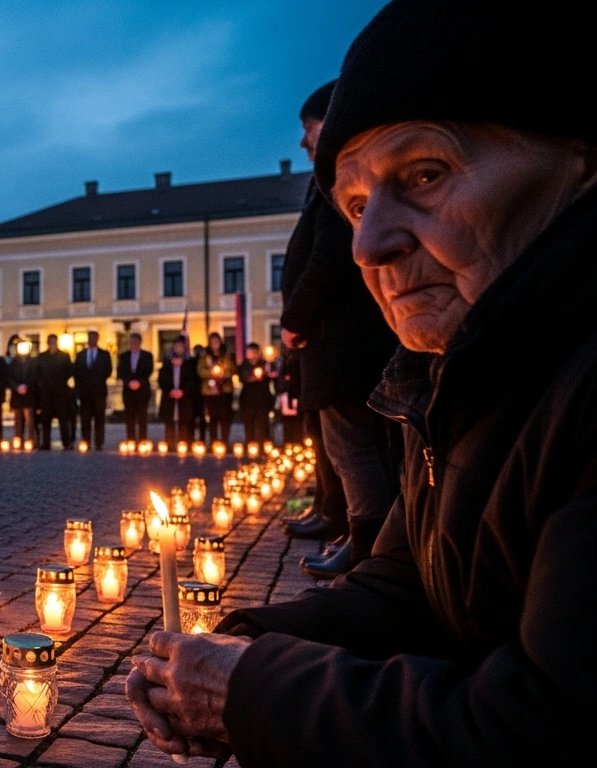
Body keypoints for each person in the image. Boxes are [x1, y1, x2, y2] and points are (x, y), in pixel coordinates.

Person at [129, 4, 597, 764]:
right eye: (353, 206)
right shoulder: (456, 375)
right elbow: (413, 590)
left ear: (580, 161)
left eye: (425, 174)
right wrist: (247, 643)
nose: (370, 245)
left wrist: (254, 692)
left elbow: (546, 728)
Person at [279, 80, 405, 577]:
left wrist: (294, 320)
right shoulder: (328, 180)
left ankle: (367, 548)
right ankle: (357, 536)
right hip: (336, 340)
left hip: (340, 342)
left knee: (353, 449)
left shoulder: (342, 179)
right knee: (345, 446)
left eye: (309, 130)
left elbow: (330, 258)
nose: (304, 143)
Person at [73, 331, 112, 450]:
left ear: (97, 339)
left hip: (99, 392)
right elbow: (76, 373)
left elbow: (108, 371)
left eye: (94, 338)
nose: (92, 340)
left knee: (99, 419)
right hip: (85, 393)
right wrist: (78, 390)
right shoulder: (80, 355)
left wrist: (96, 380)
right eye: (90, 338)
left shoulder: (104, 355)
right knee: (85, 419)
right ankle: (86, 441)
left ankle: (99, 443)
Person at [34, 334, 74, 449]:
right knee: (45, 419)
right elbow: (37, 373)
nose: (52, 343)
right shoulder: (41, 357)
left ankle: (66, 443)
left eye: (54, 341)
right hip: (46, 393)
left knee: (63, 419)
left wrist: (61, 381)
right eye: (50, 341)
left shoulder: (64, 356)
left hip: (61, 392)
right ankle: (45, 443)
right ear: (47, 342)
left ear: (56, 342)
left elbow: (69, 371)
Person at [196, 333, 236, 444]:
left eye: (216, 342)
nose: (215, 344)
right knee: (213, 418)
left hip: (225, 391)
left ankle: (224, 441)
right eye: (212, 342)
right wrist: (211, 373)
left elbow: (232, 369)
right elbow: (200, 371)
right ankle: (214, 441)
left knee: (225, 417)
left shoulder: (227, 355)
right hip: (210, 391)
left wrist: (223, 373)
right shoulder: (205, 357)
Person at [157, 337, 197, 446]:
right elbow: (161, 379)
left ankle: (182, 444)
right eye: (176, 346)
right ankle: (170, 443)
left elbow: (192, 380)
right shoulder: (167, 362)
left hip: (184, 397)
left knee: (183, 421)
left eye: (180, 347)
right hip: (169, 396)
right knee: (169, 422)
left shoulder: (189, 363)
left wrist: (183, 391)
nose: (178, 349)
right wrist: (170, 390)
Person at [117, 332, 153, 443]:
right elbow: (121, 371)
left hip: (142, 390)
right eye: (131, 342)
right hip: (128, 391)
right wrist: (128, 382)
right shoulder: (124, 356)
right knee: (129, 417)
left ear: (139, 342)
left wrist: (139, 382)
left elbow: (148, 370)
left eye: (136, 342)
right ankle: (131, 439)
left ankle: (143, 439)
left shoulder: (147, 356)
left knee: (142, 416)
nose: (133, 344)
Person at [236, 343, 274, 446]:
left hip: (262, 400)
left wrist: (266, 374)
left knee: (263, 426)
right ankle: (251, 448)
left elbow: (271, 376)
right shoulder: (243, 366)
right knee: (249, 427)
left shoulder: (265, 364)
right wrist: (251, 377)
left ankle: (264, 447)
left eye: (253, 352)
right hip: (247, 400)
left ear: (258, 353)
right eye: (249, 352)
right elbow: (242, 378)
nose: (251, 354)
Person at [6, 340, 34, 445]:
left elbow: (34, 376)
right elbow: (9, 377)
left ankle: (31, 440)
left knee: (29, 419)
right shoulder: (13, 362)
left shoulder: (32, 362)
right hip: (17, 395)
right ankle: (18, 439)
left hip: (28, 394)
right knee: (17, 419)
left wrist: (26, 385)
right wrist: (17, 386)